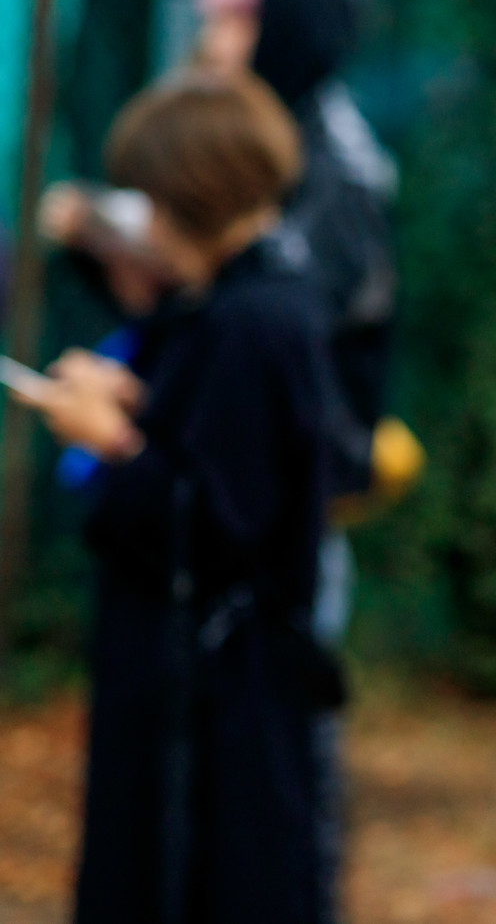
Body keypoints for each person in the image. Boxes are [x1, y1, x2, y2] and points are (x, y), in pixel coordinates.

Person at [10, 70, 338, 924]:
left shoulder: (254, 320)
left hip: (216, 719)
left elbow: (218, 524)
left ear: (195, 198)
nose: (148, 228)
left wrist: (111, 442)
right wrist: (134, 401)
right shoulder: (240, 303)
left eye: (156, 204)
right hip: (198, 698)